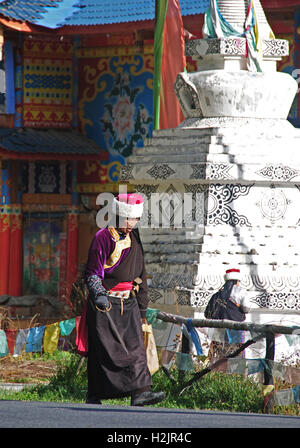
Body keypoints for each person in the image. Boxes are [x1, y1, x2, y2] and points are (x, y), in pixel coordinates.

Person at [82, 193, 165, 406]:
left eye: (135, 220)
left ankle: (140, 392)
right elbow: (92, 272)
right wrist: (98, 293)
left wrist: (143, 308)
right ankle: (95, 395)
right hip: (105, 305)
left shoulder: (135, 238)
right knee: (105, 351)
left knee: (136, 348)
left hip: (129, 303)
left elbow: (141, 274)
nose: (131, 224)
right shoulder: (103, 237)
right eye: (128, 219)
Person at [204, 268, 250, 360]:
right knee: (236, 354)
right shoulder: (241, 292)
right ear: (237, 281)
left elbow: (207, 314)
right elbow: (246, 309)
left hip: (217, 331)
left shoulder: (217, 295)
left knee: (218, 355)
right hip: (235, 331)